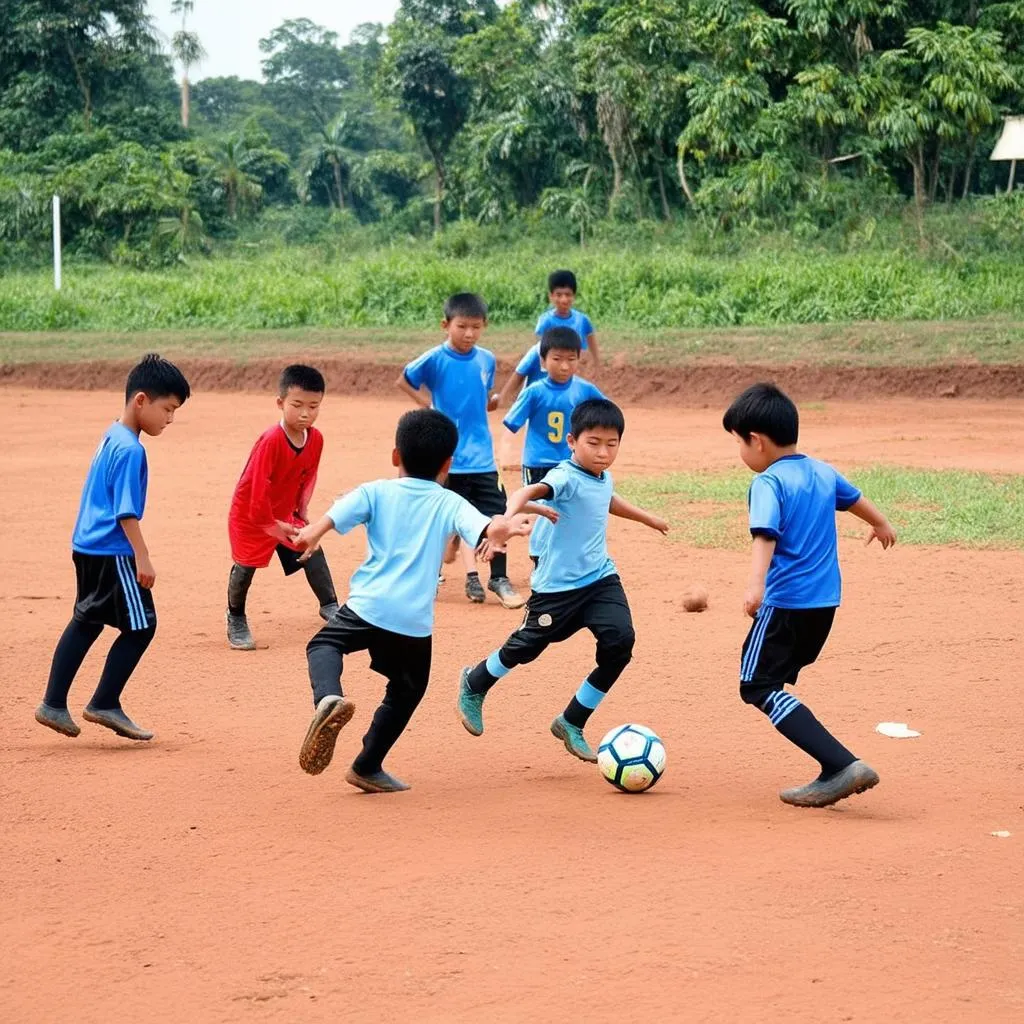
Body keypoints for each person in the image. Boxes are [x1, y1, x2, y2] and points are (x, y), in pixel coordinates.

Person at [292, 409, 543, 793]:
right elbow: (485, 527)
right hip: (411, 621)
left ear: (396, 455)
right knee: (406, 691)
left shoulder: (376, 490)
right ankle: (367, 764)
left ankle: (328, 698)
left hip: (368, 605)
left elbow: (341, 510)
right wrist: (505, 526)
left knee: (325, 644)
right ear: (447, 465)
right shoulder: (448, 501)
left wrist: (315, 531)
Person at [458, 399, 669, 762]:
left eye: (611, 444)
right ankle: (475, 683)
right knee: (526, 647)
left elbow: (607, 499)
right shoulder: (564, 476)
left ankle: (572, 721)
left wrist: (649, 518)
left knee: (620, 643)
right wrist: (506, 520)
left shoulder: (602, 476)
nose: (603, 452)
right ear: (572, 441)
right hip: (557, 588)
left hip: (600, 578)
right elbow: (527, 492)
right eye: (593, 443)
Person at [722, 382, 897, 808]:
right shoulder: (821, 470)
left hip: (785, 603)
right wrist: (881, 523)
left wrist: (755, 586)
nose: (740, 453)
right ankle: (835, 765)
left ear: (756, 441)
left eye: (738, 443)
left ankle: (839, 764)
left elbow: (765, 534)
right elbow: (854, 499)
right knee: (772, 681)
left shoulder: (768, 482)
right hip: (824, 605)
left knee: (756, 684)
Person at [34, 354, 191, 742]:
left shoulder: (112, 434)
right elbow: (125, 512)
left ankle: (53, 703)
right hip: (113, 551)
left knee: (87, 620)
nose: (169, 419)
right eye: (167, 409)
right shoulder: (132, 450)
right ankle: (105, 701)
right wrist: (143, 556)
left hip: (86, 544)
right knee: (142, 626)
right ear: (141, 400)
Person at [397, 292, 524, 609]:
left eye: (476, 327)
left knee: (499, 515)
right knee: (436, 517)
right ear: (446, 325)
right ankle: (428, 578)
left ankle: (498, 577)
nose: (469, 334)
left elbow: (482, 397)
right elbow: (404, 380)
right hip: (446, 456)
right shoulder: (435, 359)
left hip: (481, 456)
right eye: (462, 326)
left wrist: (489, 404)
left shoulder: (486, 359)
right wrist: (426, 405)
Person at [225, 364, 339, 650]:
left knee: (310, 546)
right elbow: (257, 486)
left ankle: (330, 605)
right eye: (297, 405)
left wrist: (300, 514)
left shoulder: (316, 438)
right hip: (251, 514)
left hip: (284, 513)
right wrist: (271, 524)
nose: (305, 413)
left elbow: (306, 476)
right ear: (280, 403)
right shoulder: (271, 440)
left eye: (314, 406)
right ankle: (235, 618)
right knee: (245, 566)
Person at [501, 325, 605, 566]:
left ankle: (566, 558)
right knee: (541, 512)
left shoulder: (585, 389)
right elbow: (510, 426)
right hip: (538, 464)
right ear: (543, 361)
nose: (565, 366)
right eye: (557, 359)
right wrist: (506, 455)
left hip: (571, 464)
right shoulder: (534, 392)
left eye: (571, 359)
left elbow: (606, 413)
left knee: (570, 510)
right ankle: (539, 555)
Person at [497, 269, 601, 408]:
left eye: (568, 295)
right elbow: (539, 345)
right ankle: (502, 399)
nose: (563, 299)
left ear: (574, 296)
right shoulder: (546, 321)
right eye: (558, 295)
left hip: (569, 369)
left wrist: (596, 362)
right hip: (547, 368)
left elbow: (591, 339)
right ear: (551, 296)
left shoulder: (582, 320)